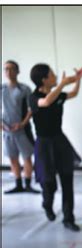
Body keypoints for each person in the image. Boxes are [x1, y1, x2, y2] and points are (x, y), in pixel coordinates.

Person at [29, 63, 82, 231]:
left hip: (59, 142)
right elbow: (46, 102)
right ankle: (47, 205)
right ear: (44, 79)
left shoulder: (59, 95)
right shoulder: (33, 97)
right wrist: (63, 83)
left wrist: (78, 80)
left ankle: (68, 218)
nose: (55, 77)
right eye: (52, 75)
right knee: (49, 184)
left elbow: (74, 93)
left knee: (67, 181)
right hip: (44, 144)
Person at [1, 60, 40, 194]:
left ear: (17, 71)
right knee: (12, 158)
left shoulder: (24, 89)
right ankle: (18, 184)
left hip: (22, 130)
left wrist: (23, 123)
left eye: (12, 69)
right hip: (6, 131)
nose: (8, 72)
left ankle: (28, 183)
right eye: (6, 69)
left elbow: (31, 108)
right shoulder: (2, 89)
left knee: (26, 157)